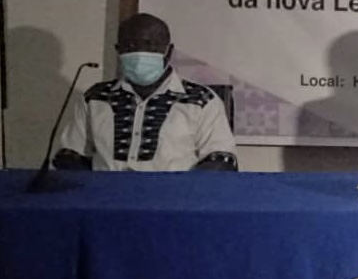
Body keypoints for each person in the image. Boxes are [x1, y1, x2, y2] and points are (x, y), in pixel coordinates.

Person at [53, 13, 238, 172]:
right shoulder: (95, 98)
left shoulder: (202, 100)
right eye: (130, 46)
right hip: (104, 197)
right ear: (118, 50)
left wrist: (183, 191)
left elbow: (221, 161)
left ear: (169, 51)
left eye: (151, 45)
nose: (141, 52)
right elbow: (70, 156)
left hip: (174, 198)